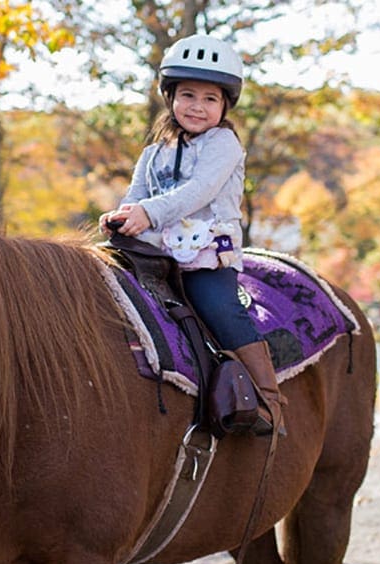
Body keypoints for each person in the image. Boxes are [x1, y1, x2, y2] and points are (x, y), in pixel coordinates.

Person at [99, 33, 284, 436]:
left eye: (210, 98)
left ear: (225, 105)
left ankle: (267, 401)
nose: (197, 107)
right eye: (187, 95)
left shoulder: (224, 144)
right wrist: (123, 215)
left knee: (219, 308)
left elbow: (198, 191)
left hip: (203, 256)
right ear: (171, 98)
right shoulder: (152, 153)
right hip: (155, 253)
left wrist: (148, 213)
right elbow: (137, 195)